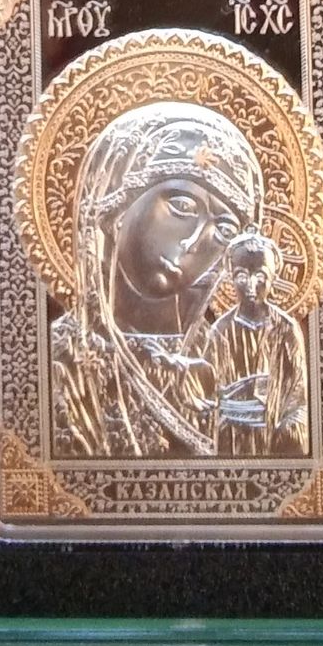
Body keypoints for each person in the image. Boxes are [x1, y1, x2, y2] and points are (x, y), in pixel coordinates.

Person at [49, 101, 264, 459]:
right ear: (118, 208)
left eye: (224, 230)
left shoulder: (226, 357)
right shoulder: (57, 360)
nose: (193, 243)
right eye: (182, 207)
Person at [204, 230, 309, 457]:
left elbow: (299, 394)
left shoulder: (286, 329)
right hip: (229, 440)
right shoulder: (219, 331)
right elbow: (206, 391)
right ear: (231, 278)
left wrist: (288, 430)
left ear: (273, 278)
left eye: (260, 275)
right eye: (241, 275)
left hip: (275, 439)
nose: (251, 285)